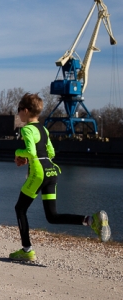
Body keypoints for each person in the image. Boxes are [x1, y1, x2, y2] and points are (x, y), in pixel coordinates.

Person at [10, 93, 111, 262]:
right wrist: (31, 159)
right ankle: (90, 220)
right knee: (52, 216)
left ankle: (27, 250)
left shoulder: (27, 129)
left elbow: (31, 152)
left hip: (39, 174)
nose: (18, 113)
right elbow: (51, 153)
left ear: (25, 111)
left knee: (20, 209)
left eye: (19, 110)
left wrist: (18, 153)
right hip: (51, 171)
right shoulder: (44, 129)